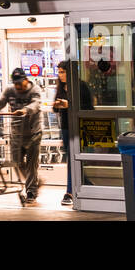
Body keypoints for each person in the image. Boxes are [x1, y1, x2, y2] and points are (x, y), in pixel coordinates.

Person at [0, 68, 42, 203]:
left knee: (31, 164)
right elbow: (0, 102)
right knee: (17, 162)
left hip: (33, 132)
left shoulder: (35, 89)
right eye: (15, 83)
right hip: (16, 133)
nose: (18, 86)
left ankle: (31, 191)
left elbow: (36, 104)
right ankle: (35, 181)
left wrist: (25, 110)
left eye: (20, 83)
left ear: (26, 80)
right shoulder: (10, 90)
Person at [53, 60, 93, 206]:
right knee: (72, 159)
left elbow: (88, 106)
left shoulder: (80, 86)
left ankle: (69, 191)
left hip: (79, 126)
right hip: (65, 127)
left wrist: (69, 105)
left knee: (73, 159)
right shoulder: (60, 87)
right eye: (59, 72)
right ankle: (87, 184)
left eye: (63, 72)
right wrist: (57, 105)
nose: (60, 75)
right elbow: (56, 109)